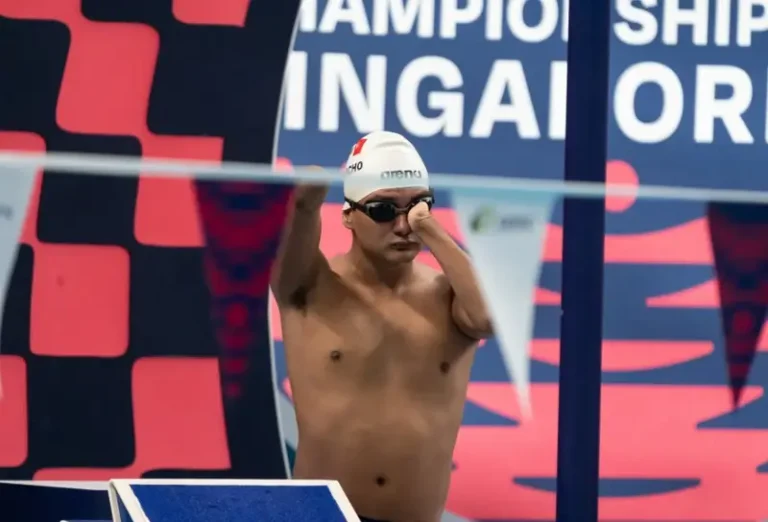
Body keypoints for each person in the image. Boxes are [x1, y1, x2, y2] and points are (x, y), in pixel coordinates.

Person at [271, 131, 493, 522]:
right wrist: (305, 203)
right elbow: (295, 223)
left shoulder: (449, 298)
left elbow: (489, 319)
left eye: (418, 207)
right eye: (383, 210)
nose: (404, 225)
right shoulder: (309, 287)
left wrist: (432, 229)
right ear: (347, 215)